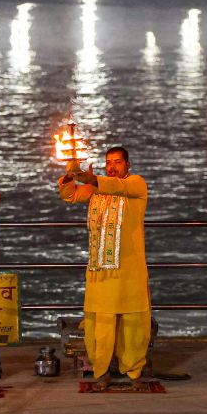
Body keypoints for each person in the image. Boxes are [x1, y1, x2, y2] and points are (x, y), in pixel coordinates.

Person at [58, 146, 150, 391]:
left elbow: (119, 187)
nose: (112, 166)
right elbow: (70, 195)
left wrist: (94, 179)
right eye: (108, 162)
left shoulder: (136, 184)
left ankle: (134, 373)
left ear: (128, 165)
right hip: (101, 271)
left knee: (132, 324)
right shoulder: (96, 188)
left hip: (130, 271)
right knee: (100, 326)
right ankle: (100, 372)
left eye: (118, 162)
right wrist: (70, 175)